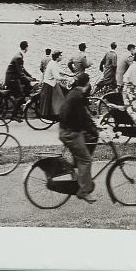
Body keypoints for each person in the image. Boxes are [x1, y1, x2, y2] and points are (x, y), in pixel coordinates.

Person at [57, 72, 99, 202]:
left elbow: (84, 115)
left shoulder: (74, 93)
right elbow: (83, 120)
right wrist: (95, 131)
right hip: (71, 133)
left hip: (66, 130)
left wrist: (93, 125)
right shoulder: (78, 96)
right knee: (86, 159)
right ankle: (84, 191)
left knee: (86, 144)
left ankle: (78, 169)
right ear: (87, 84)